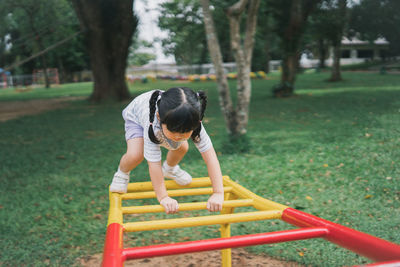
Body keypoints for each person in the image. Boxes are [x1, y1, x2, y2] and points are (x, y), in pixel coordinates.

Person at [109, 87, 224, 214]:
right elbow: (154, 165)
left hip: (168, 118)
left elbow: (211, 158)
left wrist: (218, 192)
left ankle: (170, 169)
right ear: (159, 117)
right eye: (174, 130)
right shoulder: (153, 124)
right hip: (136, 116)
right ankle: (122, 173)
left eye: (186, 131)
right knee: (136, 154)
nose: (178, 136)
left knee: (182, 147)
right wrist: (163, 197)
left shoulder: (194, 122)